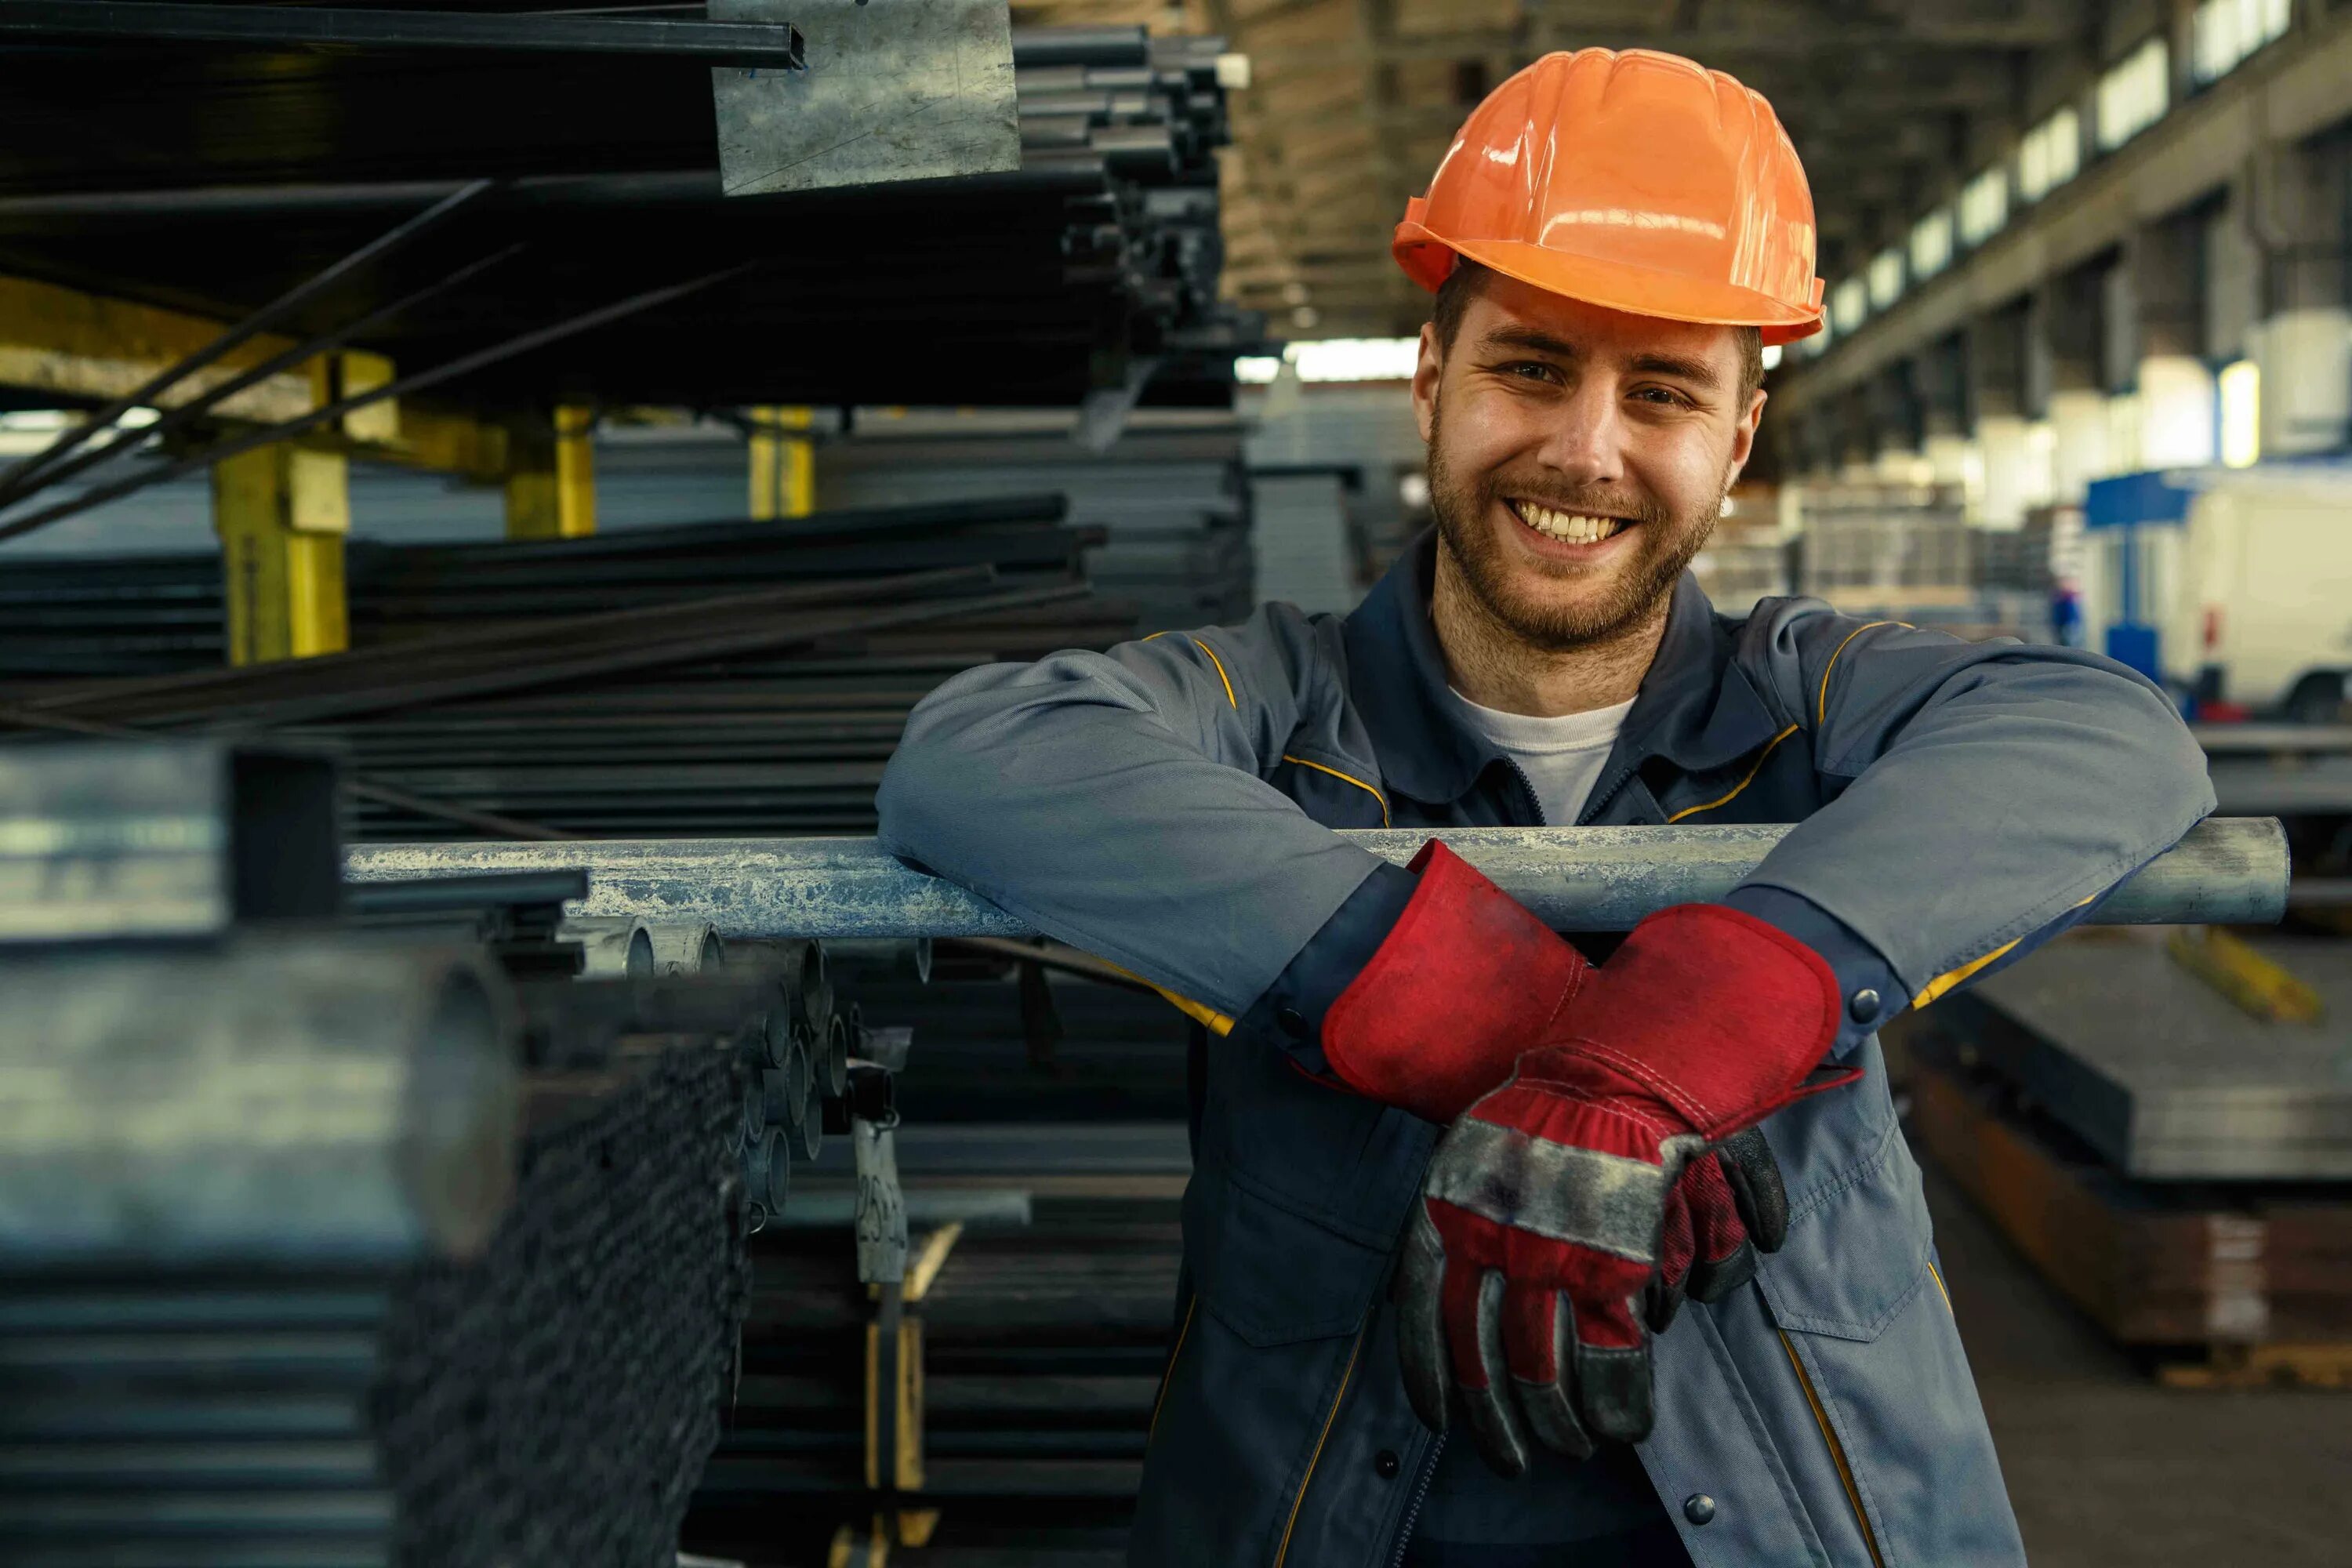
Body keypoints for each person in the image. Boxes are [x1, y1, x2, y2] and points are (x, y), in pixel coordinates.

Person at [877, 47, 2212, 1568]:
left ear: (1737, 442)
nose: (1586, 450)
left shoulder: (1811, 698)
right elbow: (976, 753)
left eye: (1661, 392)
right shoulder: (1273, 710)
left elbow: (2109, 736)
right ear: (1433, 379)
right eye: (1531, 367)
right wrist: (1516, 1037)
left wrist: (1697, 1025)